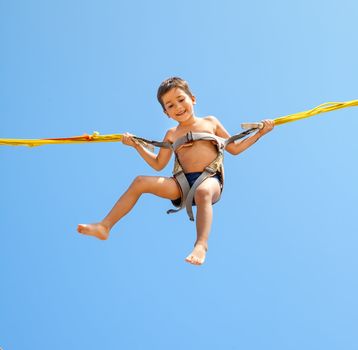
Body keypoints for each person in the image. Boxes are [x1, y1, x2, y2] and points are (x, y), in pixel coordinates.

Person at [77, 77, 274, 265]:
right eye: (170, 105)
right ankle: (105, 226)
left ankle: (201, 245)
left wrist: (260, 132)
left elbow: (234, 148)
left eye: (181, 100)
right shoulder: (171, 134)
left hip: (210, 179)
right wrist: (137, 146)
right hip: (181, 183)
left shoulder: (211, 122)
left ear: (193, 99)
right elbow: (158, 164)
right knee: (140, 182)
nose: (178, 107)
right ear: (166, 113)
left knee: (203, 192)